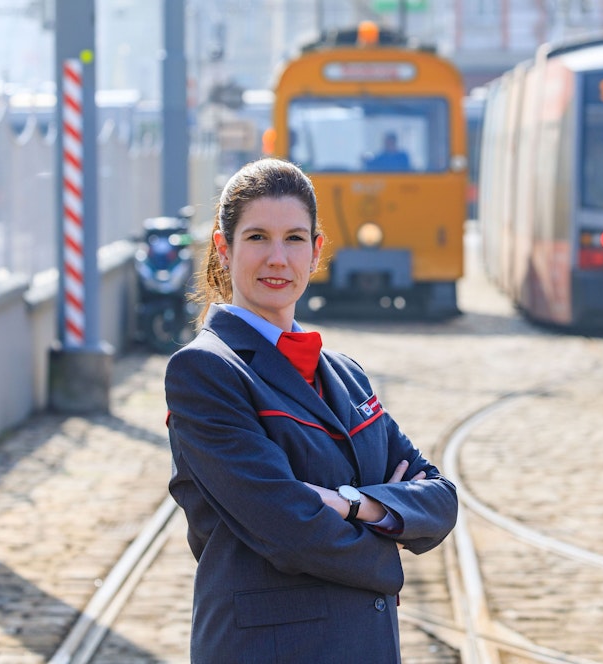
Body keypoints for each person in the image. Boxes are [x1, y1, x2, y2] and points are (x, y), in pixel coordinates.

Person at [165, 158, 458, 662]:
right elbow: (289, 530)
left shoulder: (345, 372)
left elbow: (439, 496)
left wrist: (349, 503)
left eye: (295, 239)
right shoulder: (207, 371)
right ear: (222, 246)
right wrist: (389, 546)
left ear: (316, 250)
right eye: (257, 237)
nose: (278, 258)